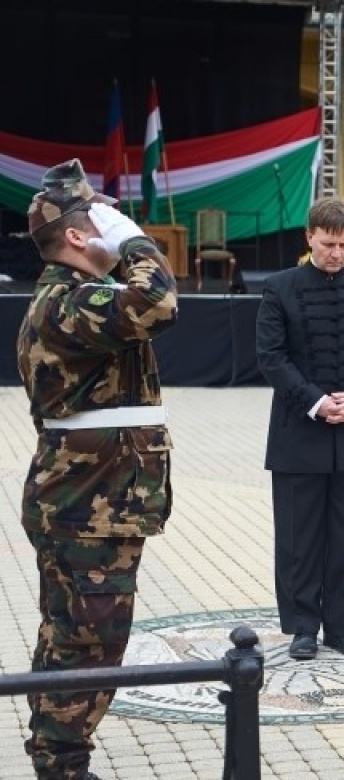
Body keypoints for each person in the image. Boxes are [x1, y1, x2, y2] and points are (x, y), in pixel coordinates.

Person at [16, 159, 178, 780]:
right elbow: (161, 301)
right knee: (89, 645)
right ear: (80, 235)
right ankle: (62, 766)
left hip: (90, 504)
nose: (112, 225)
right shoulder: (66, 305)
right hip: (88, 509)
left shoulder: (79, 299)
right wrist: (132, 236)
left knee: (69, 639)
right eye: (101, 216)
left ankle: (56, 757)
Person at [256, 196, 344, 661]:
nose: (336, 252)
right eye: (328, 243)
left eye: (343, 244)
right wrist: (316, 402)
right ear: (309, 238)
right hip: (300, 431)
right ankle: (301, 628)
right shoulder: (280, 288)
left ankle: (341, 627)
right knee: (298, 538)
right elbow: (272, 358)